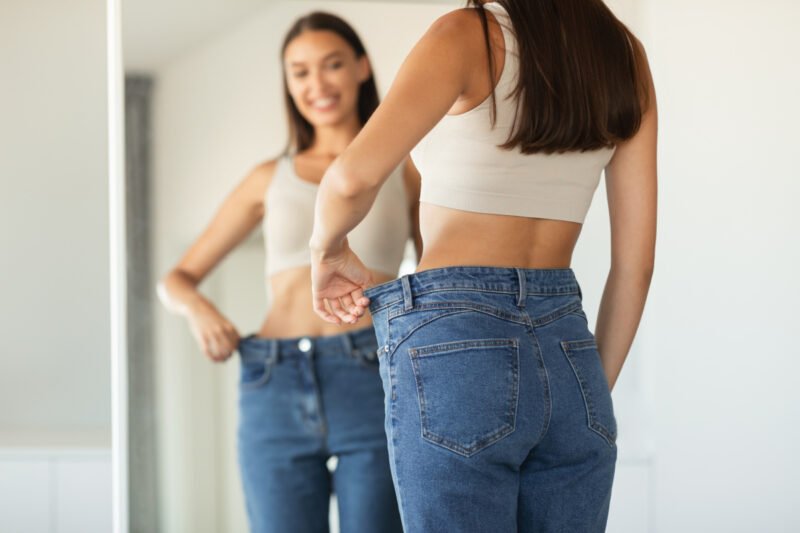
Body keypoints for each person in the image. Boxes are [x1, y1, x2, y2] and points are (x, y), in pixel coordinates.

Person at [309, 1, 656, 531]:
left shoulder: (465, 35)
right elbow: (636, 265)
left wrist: (326, 250)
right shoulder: (624, 56)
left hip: (455, 338)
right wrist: (586, 397)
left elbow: (349, 180)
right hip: (570, 350)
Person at [158, 11, 418, 533]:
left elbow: (436, 277)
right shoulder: (266, 178)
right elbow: (176, 279)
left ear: (362, 68)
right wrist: (199, 311)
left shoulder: (402, 167)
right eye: (299, 71)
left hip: (372, 373)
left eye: (332, 65)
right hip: (271, 379)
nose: (316, 84)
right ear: (288, 82)